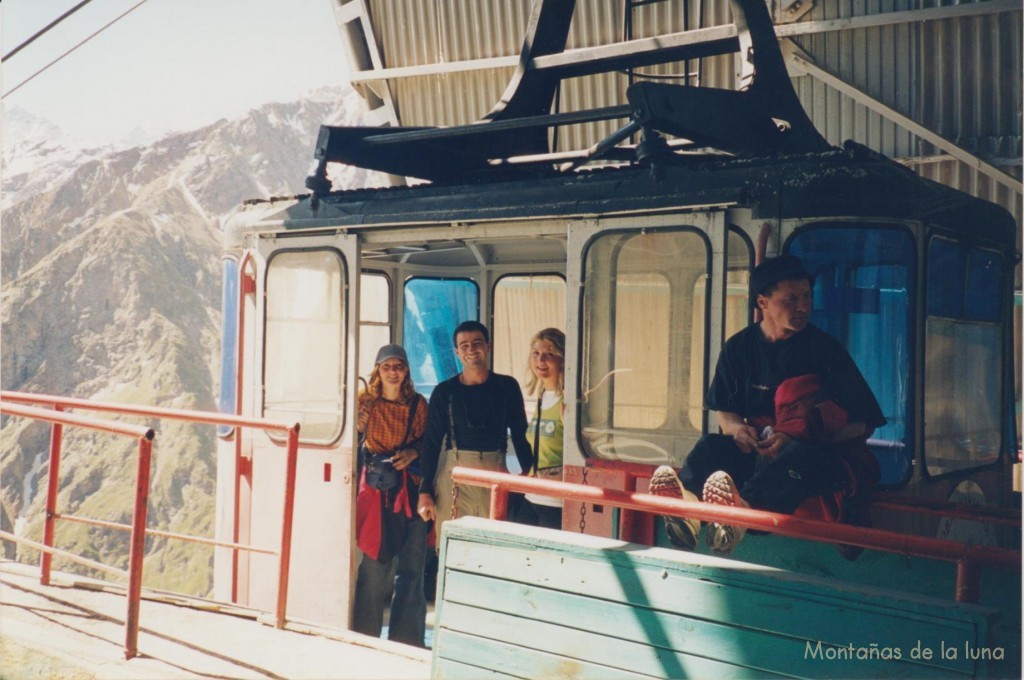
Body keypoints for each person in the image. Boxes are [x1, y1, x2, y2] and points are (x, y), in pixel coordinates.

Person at [650, 255, 885, 559]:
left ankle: (738, 519)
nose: (803, 306)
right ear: (762, 302)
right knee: (711, 445)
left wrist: (801, 436)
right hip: (758, 451)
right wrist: (738, 430)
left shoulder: (825, 350)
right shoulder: (739, 348)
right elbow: (725, 410)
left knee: (796, 456)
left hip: (815, 459)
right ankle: (689, 514)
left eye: (806, 297)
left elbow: (865, 423)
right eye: (791, 299)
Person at [416, 321, 533, 541]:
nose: (471, 350)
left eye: (477, 343)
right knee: (451, 547)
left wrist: (529, 474)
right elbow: (431, 444)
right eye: (465, 345)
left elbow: (520, 434)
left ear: (488, 346)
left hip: (495, 476)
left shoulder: (507, 387)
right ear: (456, 352)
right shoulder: (444, 392)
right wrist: (425, 492)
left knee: (492, 546)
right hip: (454, 481)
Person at [353, 344, 429, 647]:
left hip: (410, 489)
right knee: (375, 565)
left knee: (412, 567)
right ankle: (364, 637)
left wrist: (413, 452)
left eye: (398, 366)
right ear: (378, 371)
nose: (393, 372)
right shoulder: (365, 403)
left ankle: (407, 640)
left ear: (407, 370)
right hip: (376, 493)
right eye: (387, 367)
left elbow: (431, 442)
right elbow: (356, 439)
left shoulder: (419, 405)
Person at [514, 328, 566, 530]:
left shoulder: (567, 401)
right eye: (536, 353)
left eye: (549, 354)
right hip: (533, 493)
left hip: (556, 500)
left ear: (562, 359)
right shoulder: (542, 396)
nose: (541, 360)